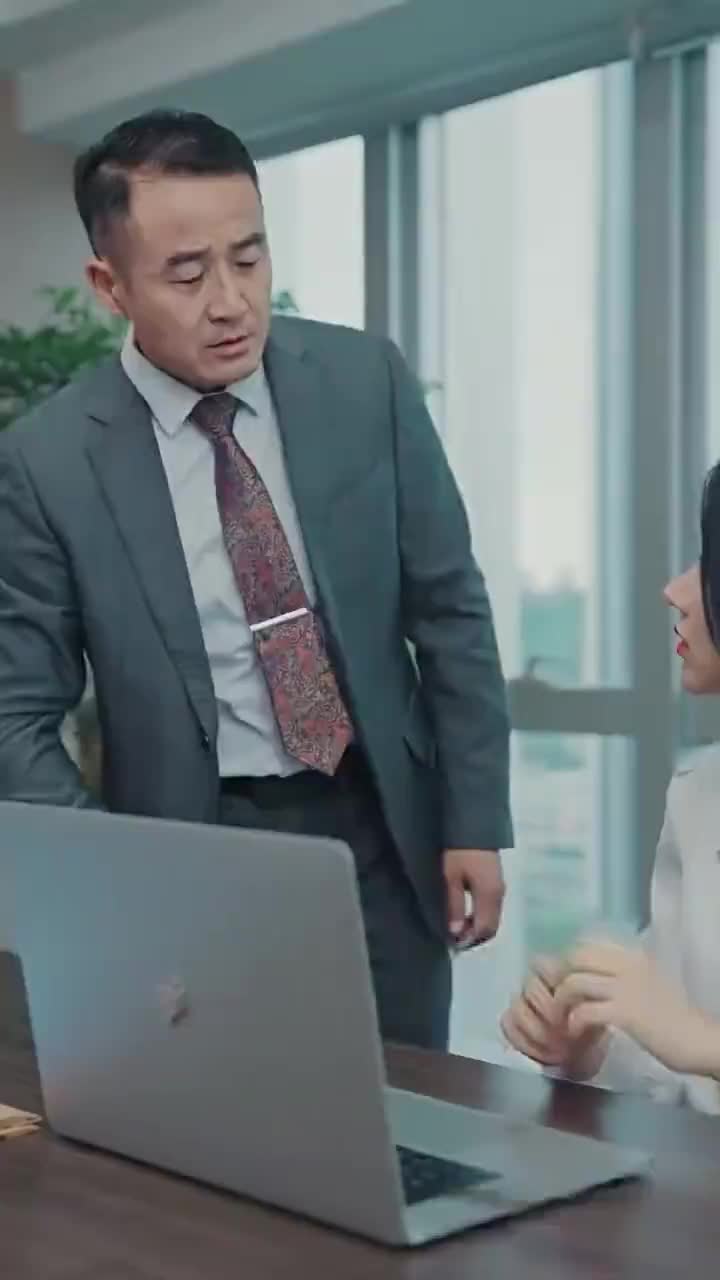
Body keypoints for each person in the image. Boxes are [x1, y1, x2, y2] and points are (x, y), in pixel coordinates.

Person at [0, 110, 513, 1051]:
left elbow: (450, 611)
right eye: (187, 275)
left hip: (382, 827)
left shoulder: (363, 382)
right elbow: (16, 711)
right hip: (194, 847)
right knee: (221, 1115)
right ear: (110, 286)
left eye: (249, 257)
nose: (230, 301)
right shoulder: (49, 460)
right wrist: (104, 878)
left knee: (410, 1108)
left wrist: (473, 819)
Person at [501, 461, 720, 1111]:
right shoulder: (698, 795)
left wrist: (704, 1043)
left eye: (708, 566)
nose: (675, 592)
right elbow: (664, 1056)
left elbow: (686, 1037)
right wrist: (585, 1044)